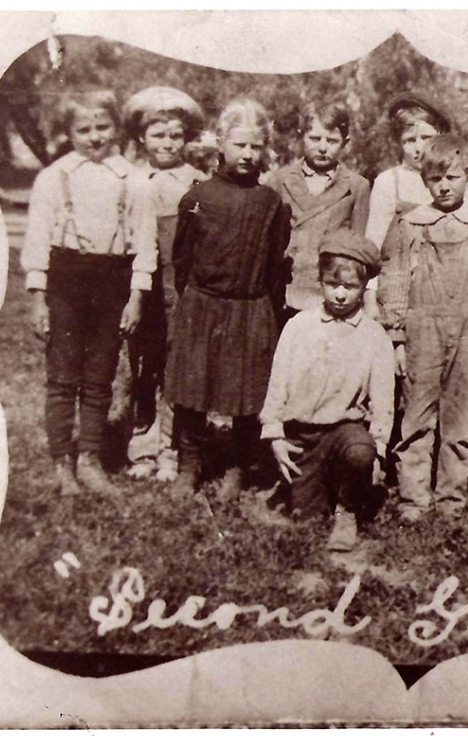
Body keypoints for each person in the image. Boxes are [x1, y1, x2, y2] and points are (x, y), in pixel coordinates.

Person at [21, 89, 152, 497]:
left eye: (102, 127)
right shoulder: (54, 176)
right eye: (84, 129)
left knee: (100, 377)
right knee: (62, 376)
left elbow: (144, 242)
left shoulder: (132, 178)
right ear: (69, 132)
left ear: (116, 127)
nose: (95, 137)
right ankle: (62, 461)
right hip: (66, 279)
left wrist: (135, 295)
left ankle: (90, 459)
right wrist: (37, 294)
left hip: (113, 281)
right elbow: (38, 238)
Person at [164, 96, 292, 498]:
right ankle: (189, 464)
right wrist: (195, 300)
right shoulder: (199, 196)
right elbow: (181, 258)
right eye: (240, 145)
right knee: (192, 390)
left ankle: (238, 467)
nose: (248, 154)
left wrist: (262, 308)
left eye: (256, 146)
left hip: (251, 307)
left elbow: (274, 263)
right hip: (203, 304)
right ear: (221, 143)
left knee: (246, 394)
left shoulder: (270, 203)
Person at [378, 134, 468, 521]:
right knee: (416, 415)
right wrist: (397, 335)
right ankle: (413, 498)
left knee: (458, 420)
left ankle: (450, 497)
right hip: (422, 331)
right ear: (424, 181)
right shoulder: (411, 224)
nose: (444, 186)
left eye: (452, 177)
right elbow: (396, 279)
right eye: (435, 179)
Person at [260, 230, 394, 552]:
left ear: (363, 289)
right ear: (320, 281)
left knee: (359, 454)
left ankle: (347, 509)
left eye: (350, 287)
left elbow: (383, 399)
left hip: (344, 431)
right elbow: (278, 382)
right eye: (333, 285)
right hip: (301, 435)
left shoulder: (374, 336)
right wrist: (275, 434)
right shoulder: (299, 326)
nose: (340, 295)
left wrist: (378, 448)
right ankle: (307, 486)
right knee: (305, 519)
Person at [122, 86, 207, 482]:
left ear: (187, 137)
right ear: (142, 137)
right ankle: (141, 447)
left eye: (175, 135)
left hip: (180, 284)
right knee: (143, 363)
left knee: (176, 363)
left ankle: (171, 451)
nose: (168, 143)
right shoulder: (131, 178)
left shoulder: (197, 183)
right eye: (158, 135)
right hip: (140, 284)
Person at [270, 100, 370, 319]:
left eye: (332, 141)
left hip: (328, 295)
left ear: (346, 142)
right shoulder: (280, 179)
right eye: (315, 138)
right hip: (284, 292)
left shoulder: (356, 186)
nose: (323, 147)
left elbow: (356, 248)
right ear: (301, 136)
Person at [365, 94, 452, 315]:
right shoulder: (388, 182)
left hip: (442, 291)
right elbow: (373, 245)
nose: (419, 148)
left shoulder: (451, 181)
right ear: (399, 142)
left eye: (426, 137)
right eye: (410, 140)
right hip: (396, 291)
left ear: (440, 136)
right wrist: (370, 297)